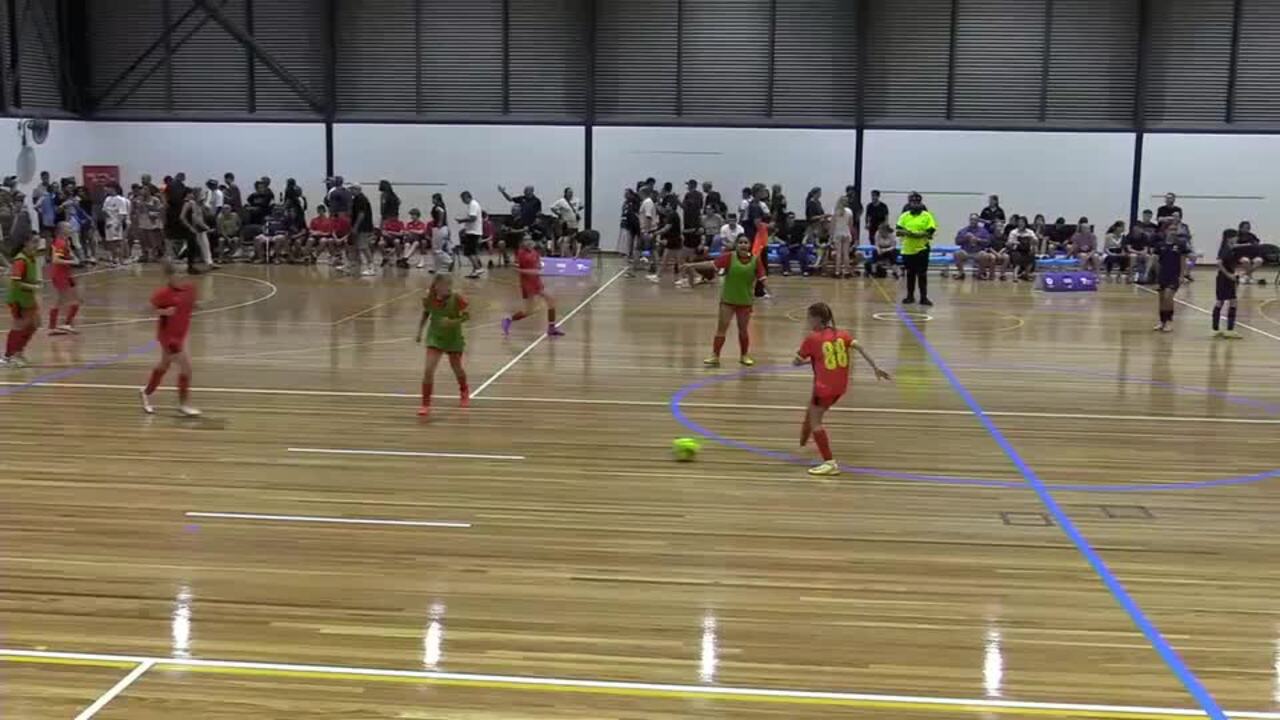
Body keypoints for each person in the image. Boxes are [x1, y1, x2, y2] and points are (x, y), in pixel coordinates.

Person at [794, 302, 892, 477]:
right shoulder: (842, 334)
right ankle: (803, 442)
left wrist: (801, 361)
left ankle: (829, 462)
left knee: (816, 421)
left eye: (809, 318)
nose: (807, 321)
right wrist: (875, 367)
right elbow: (859, 347)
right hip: (840, 388)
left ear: (817, 319)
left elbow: (796, 361)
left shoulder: (812, 338)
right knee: (812, 411)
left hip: (823, 388)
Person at [681, 234, 766, 368]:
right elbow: (711, 264)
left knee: (743, 330)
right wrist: (692, 265)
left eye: (745, 242)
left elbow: (762, 277)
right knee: (722, 329)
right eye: (740, 242)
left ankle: (744, 355)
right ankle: (715, 356)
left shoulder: (756, 261)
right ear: (736, 245)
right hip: (728, 300)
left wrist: (768, 289)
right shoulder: (729, 257)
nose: (743, 245)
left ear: (749, 245)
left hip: (745, 302)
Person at [139, 261, 200, 417]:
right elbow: (145, 310)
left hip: (181, 334)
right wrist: (163, 312)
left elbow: (191, 305)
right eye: (178, 273)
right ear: (169, 276)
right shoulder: (163, 293)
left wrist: (201, 305)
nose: (182, 276)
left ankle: (146, 392)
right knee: (186, 368)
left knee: (164, 365)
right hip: (169, 337)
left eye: (184, 272)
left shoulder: (190, 290)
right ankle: (183, 405)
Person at [416, 273, 470, 417]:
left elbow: (467, 316)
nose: (448, 288)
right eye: (445, 285)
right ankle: (425, 404)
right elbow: (426, 314)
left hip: (453, 338)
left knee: (457, 368)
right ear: (436, 286)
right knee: (428, 370)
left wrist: (452, 322)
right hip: (435, 338)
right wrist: (420, 331)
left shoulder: (457, 298)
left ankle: (464, 389)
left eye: (449, 285)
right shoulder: (429, 298)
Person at [501, 236, 563, 338]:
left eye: (530, 239)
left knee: (550, 301)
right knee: (530, 310)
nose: (529, 242)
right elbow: (519, 268)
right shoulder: (521, 253)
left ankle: (551, 328)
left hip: (537, 282)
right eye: (526, 240)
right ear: (522, 243)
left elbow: (538, 266)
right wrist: (524, 270)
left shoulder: (535, 252)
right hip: (528, 284)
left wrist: (538, 267)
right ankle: (508, 320)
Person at [2, 233, 41, 367]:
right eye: (34, 242)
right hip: (18, 298)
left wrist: (35, 284)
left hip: (28, 297)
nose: (37, 245)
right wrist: (34, 286)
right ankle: (8, 356)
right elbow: (16, 281)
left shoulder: (31, 258)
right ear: (26, 243)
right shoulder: (20, 260)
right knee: (19, 326)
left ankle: (18, 351)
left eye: (38, 242)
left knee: (35, 324)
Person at [895, 192, 936, 305]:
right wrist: (909, 233)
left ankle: (924, 297)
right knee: (910, 274)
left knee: (922, 274)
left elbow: (930, 231)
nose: (915, 204)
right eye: (912, 202)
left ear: (920, 203)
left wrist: (918, 235)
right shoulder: (904, 216)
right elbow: (898, 230)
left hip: (922, 249)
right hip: (908, 249)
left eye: (917, 202)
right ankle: (910, 296)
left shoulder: (927, 216)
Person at [1152, 226, 1190, 332]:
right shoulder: (1160, 245)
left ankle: (1169, 321)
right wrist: (1155, 276)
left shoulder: (1180, 245)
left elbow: (1183, 261)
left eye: (1175, 230)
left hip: (1174, 275)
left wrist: (1182, 275)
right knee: (1162, 299)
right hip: (1162, 275)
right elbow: (1156, 262)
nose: (1173, 232)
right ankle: (1162, 321)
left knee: (1168, 296)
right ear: (1166, 231)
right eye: (1170, 230)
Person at [47, 223, 81, 335]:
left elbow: (67, 254)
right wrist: (72, 261)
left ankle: (64, 325)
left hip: (66, 274)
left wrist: (71, 253)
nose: (71, 229)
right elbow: (56, 260)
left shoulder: (64, 242)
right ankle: (58, 326)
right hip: (60, 275)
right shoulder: (60, 243)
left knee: (73, 300)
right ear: (62, 230)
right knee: (63, 300)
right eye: (69, 227)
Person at [1213, 228, 1242, 339]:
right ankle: (1229, 330)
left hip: (1224, 278)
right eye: (1235, 236)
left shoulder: (1229, 248)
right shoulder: (1226, 249)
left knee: (1222, 302)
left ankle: (1215, 329)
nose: (1237, 238)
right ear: (1230, 238)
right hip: (1225, 278)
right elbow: (1219, 263)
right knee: (1231, 302)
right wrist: (1229, 275)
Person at [952, 213, 990, 280]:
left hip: (977, 252)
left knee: (985, 255)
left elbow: (987, 242)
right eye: (971, 219)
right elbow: (957, 242)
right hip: (966, 252)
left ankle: (980, 274)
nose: (973, 221)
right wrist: (965, 238)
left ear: (978, 221)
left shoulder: (983, 231)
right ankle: (961, 273)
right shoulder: (963, 230)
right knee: (956, 254)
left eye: (975, 220)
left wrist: (978, 240)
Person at [456, 190, 484, 279]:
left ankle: (478, 268)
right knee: (472, 251)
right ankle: (475, 270)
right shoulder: (472, 204)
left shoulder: (473, 205)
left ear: (466, 197)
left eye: (462, 199)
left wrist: (461, 220)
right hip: (472, 231)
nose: (462, 201)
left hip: (473, 232)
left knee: (469, 252)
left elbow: (473, 218)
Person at [549, 187, 583, 257]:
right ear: (565, 193)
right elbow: (552, 207)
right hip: (567, 224)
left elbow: (581, 206)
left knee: (575, 240)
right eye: (569, 192)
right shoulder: (561, 201)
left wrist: (575, 212)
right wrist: (559, 214)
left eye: (571, 192)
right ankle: (563, 254)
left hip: (575, 224)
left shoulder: (577, 200)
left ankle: (574, 254)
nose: (570, 194)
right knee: (566, 239)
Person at [350, 184, 376, 276]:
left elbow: (361, 214)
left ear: (357, 189)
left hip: (363, 227)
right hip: (359, 226)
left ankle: (371, 267)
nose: (350, 191)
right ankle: (355, 263)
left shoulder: (361, 199)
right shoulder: (356, 199)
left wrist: (355, 227)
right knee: (357, 246)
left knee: (363, 246)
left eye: (352, 189)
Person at [102, 183, 131, 265]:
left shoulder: (120, 200)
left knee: (118, 242)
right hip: (108, 224)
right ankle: (114, 258)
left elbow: (122, 214)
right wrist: (107, 220)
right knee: (110, 243)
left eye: (108, 188)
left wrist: (118, 225)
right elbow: (104, 210)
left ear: (113, 188)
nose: (106, 189)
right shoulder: (107, 199)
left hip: (116, 224)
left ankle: (121, 259)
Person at [829, 195, 855, 279]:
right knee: (846, 254)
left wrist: (831, 235)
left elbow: (832, 224)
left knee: (838, 254)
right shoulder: (849, 211)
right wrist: (849, 232)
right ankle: (847, 271)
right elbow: (851, 225)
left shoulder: (835, 211)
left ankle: (837, 272)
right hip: (846, 233)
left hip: (838, 233)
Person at [1006, 216, 1038, 282]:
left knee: (1032, 256)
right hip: (1016, 249)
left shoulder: (1030, 232)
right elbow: (1009, 242)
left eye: (1022, 222)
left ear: (1025, 223)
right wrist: (1015, 242)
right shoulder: (1013, 232)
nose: (1020, 224)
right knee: (1017, 257)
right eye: (1019, 222)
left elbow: (1036, 241)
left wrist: (1033, 240)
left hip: (1027, 250)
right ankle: (1015, 276)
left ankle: (1026, 274)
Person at [1234, 221, 1265, 285]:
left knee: (1259, 261)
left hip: (1252, 254)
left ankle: (1242, 275)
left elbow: (1257, 242)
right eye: (1245, 228)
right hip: (1240, 254)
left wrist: (1255, 244)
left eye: (1248, 228)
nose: (1247, 229)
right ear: (1240, 228)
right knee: (1246, 261)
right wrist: (1246, 244)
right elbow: (1233, 245)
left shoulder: (1251, 235)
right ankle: (1249, 277)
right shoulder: (1236, 235)